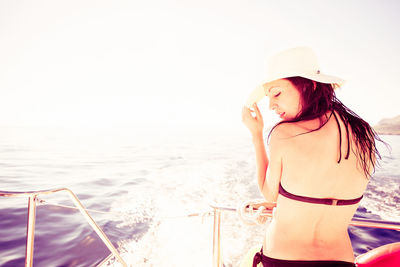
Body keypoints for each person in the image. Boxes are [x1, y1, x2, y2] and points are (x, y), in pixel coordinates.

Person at [241, 47, 382, 267]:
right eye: (268, 97)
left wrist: (256, 135)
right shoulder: (364, 134)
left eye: (277, 93)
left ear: (310, 85)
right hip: (341, 261)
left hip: (284, 259)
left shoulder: (284, 134)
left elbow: (270, 193)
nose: (270, 106)